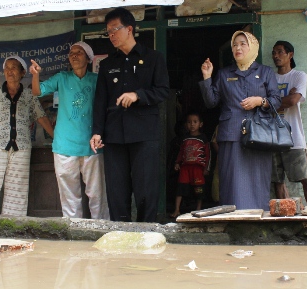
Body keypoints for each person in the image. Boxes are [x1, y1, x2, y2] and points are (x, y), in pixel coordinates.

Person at [90, 7, 170, 222]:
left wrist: (138, 95)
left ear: (130, 29)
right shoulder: (107, 65)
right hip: (114, 134)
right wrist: (97, 132)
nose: (111, 35)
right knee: (117, 190)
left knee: (145, 189)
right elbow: (100, 101)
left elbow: (163, 91)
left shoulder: (153, 58)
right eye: (108, 32)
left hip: (144, 134)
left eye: (115, 29)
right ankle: (120, 233)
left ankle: (147, 232)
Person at [199, 31, 281, 211]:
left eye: (243, 44)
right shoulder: (224, 73)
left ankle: (258, 215)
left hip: (259, 133)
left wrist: (260, 101)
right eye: (235, 44)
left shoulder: (265, 72)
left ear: (252, 47)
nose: (238, 48)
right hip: (231, 132)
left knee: (257, 177)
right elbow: (211, 102)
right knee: (232, 179)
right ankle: (232, 217)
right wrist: (207, 77)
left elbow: (276, 100)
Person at [30, 42, 109, 219]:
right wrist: (36, 75)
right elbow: (37, 91)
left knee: (97, 194)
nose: (74, 55)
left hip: (92, 145)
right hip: (64, 145)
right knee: (70, 197)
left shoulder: (96, 80)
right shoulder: (62, 78)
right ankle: (73, 231)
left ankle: (102, 229)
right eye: (71, 53)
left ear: (88, 59)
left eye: (79, 53)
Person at [0, 55, 54, 216]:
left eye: (14, 68)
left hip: (21, 147)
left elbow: (41, 117)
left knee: (17, 190)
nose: (9, 71)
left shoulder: (29, 95)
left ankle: (13, 229)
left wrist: (56, 137)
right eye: (7, 68)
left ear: (22, 73)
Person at [270, 40, 307, 205]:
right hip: (271, 137)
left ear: (290, 55)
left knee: (305, 177)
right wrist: (284, 99)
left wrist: (272, 101)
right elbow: (266, 102)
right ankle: (286, 214)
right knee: (277, 181)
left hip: (294, 136)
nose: (276, 56)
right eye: (274, 53)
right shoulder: (269, 77)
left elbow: (293, 100)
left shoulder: (299, 76)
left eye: (280, 52)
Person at [170, 112, 211, 218]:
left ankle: (198, 209)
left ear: (200, 124)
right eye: (189, 122)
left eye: (195, 122)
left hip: (198, 168)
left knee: (199, 189)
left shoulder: (203, 139)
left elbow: (208, 155)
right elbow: (181, 152)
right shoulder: (184, 139)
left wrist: (206, 168)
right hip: (185, 168)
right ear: (185, 125)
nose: (192, 124)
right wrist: (177, 162)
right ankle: (177, 209)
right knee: (180, 188)